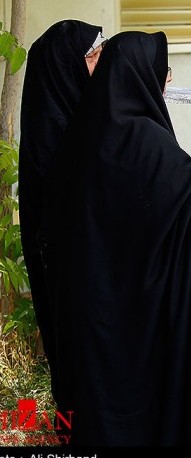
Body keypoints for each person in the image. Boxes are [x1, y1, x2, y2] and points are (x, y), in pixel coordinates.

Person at [40, 31, 191, 446]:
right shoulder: (148, 143)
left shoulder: (83, 135)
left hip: (103, 310)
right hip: (154, 312)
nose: (169, 79)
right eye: (163, 69)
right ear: (140, 76)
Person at [18, 19, 107, 408]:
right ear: (64, 68)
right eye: (92, 56)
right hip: (75, 280)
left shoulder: (87, 114)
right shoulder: (55, 135)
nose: (102, 63)